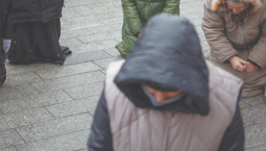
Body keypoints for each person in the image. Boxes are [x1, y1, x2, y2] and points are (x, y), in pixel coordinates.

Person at [89, 13, 244, 151]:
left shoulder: (225, 94)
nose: (159, 99)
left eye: (170, 91)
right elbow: (99, 145)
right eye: (151, 89)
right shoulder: (115, 85)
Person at [202, 0, 266, 98]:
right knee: (218, 79)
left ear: (250, 2)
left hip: (255, 48)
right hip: (227, 48)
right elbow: (212, 30)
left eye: (240, 8)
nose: (235, 11)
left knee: (254, 80)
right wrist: (231, 57)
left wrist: (256, 61)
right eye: (230, 7)